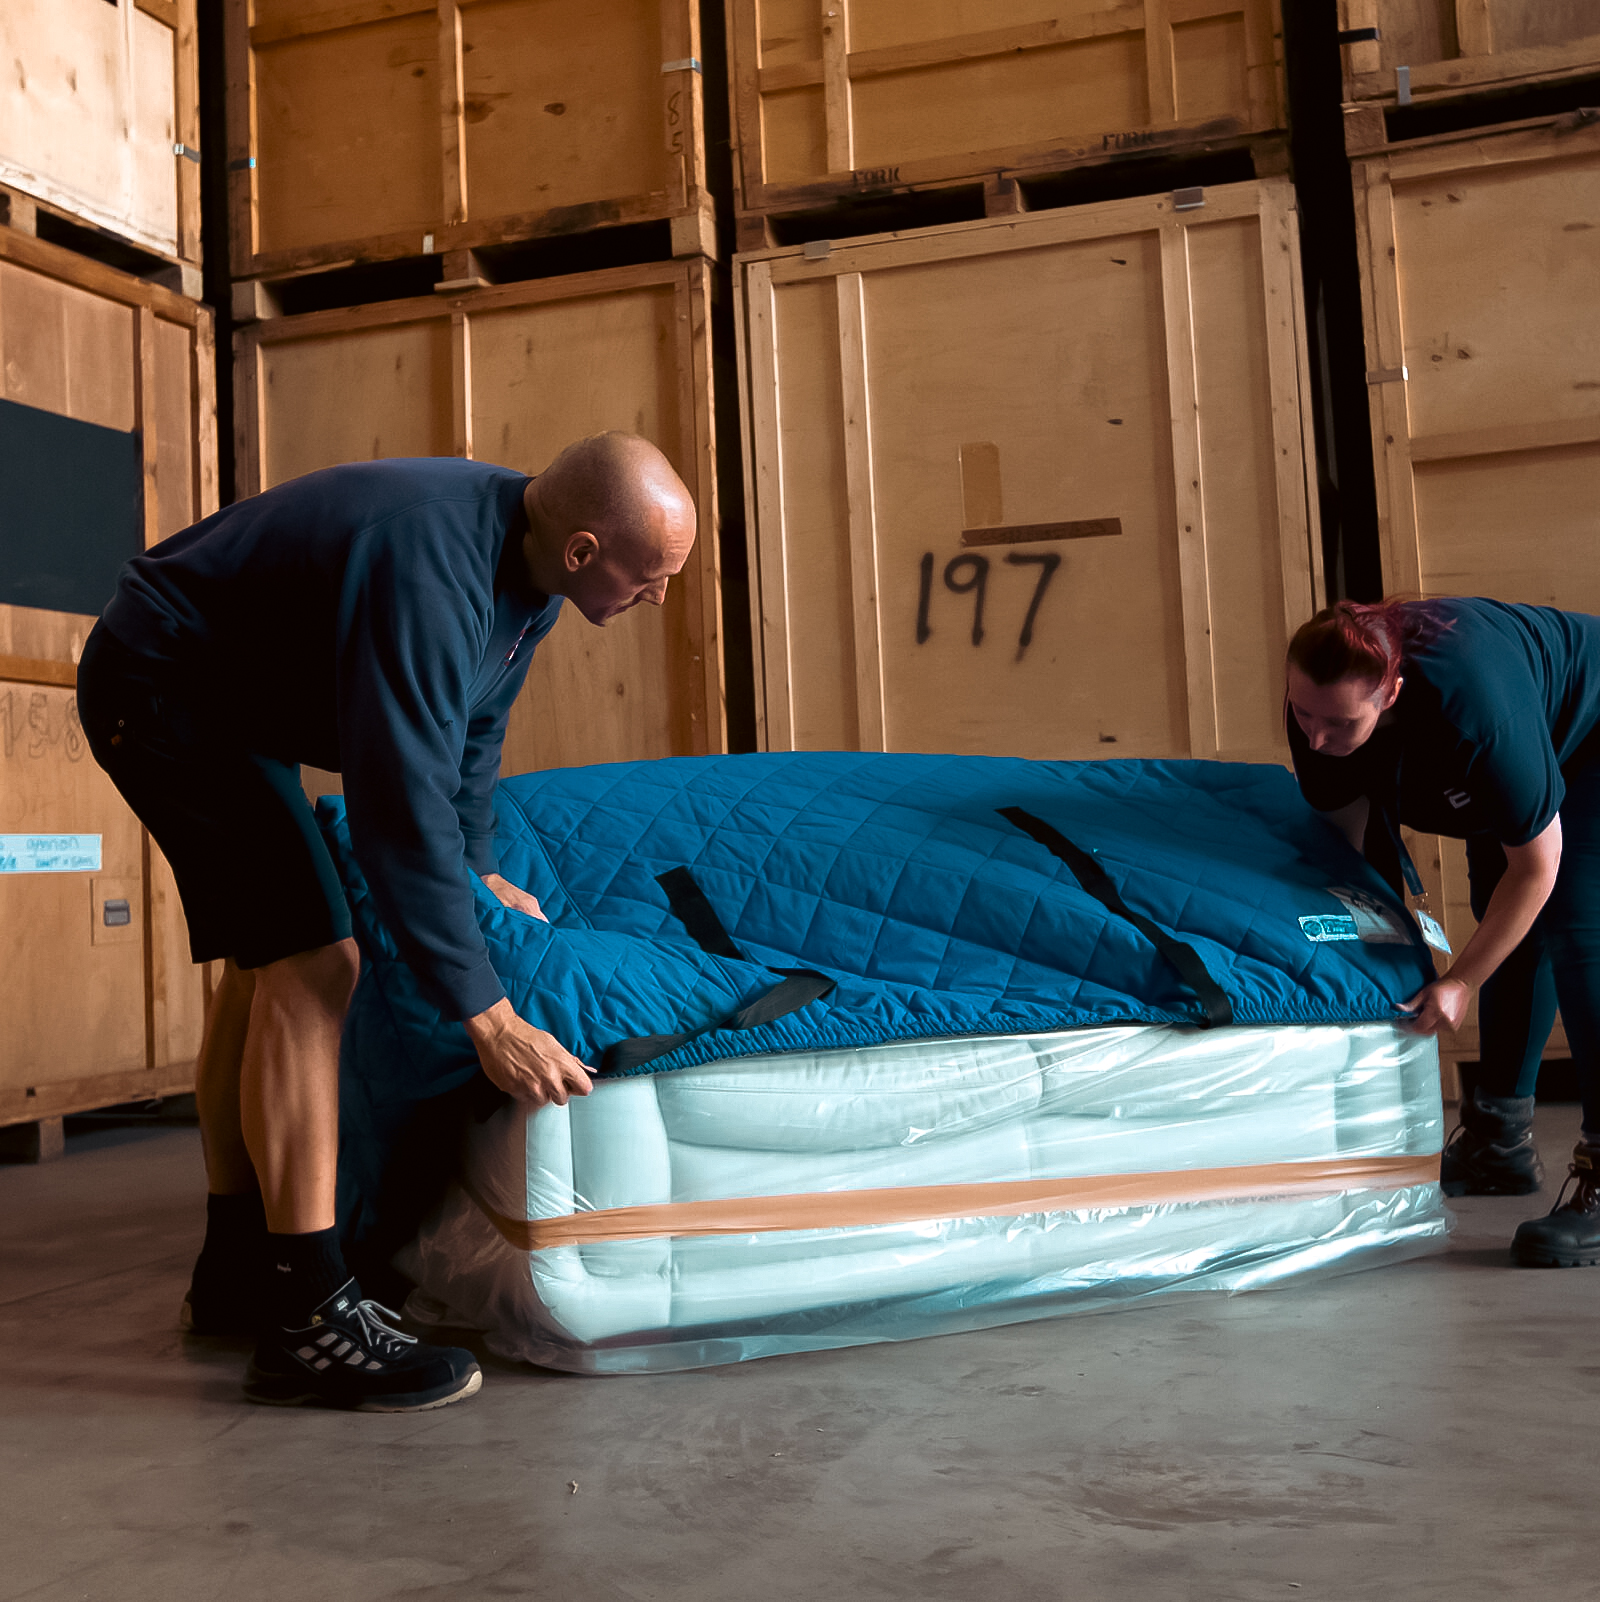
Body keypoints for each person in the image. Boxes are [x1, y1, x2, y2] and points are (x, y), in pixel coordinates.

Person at [76, 433, 698, 1408]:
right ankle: (309, 1319)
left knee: (272, 962)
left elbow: (469, 739)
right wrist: (485, 1015)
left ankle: (240, 1270)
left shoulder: (526, 581)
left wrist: (485, 871)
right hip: (163, 689)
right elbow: (399, 808)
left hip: (232, 709)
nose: (661, 593)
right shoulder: (432, 565)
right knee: (314, 962)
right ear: (583, 549)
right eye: (653, 572)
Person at [1284, 596, 1600, 1267]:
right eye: (1304, 714)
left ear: (1391, 692)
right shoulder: (1316, 712)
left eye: (1338, 723)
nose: (1315, 739)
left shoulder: (1475, 710)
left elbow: (1536, 870)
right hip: (1511, 749)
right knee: (1503, 917)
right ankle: (1499, 1146)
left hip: (1589, 732)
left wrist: (1459, 980)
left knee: (1576, 925)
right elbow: (1350, 855)